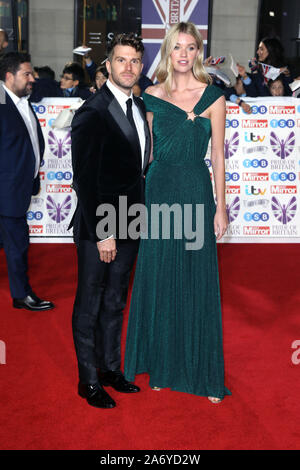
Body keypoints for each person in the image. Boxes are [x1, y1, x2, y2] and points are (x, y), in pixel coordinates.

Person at [124, 22, 231, 404]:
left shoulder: (214, 97)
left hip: (195, 189)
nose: (183, 55)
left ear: (198, 52)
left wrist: (221, 206)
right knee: (159, 275)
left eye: (190, 48)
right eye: (176, 48)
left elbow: (218, 155)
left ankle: (201, 373)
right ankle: (162, 365)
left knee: (194, 278)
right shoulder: (150, 95)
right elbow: (146, 153)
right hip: (158, 190)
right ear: (167, 52)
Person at [70, 33, 150, 409]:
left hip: (131, 219)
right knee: (90, 302)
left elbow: (136, 170)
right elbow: (84, 180)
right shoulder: (93, 111)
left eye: (134, 60)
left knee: (116, 301)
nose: (128, 67)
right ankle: (88, 381)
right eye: (121, 60)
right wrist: (104, 233)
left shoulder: (138, 106)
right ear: (108, 65)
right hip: (97, 224)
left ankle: (109, 370)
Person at [0, 52, 54, 311]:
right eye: (26, 74)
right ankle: (21, 295)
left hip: (20, 185)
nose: (32, 79)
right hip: (6, 189)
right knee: (18, 244)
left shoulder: (22, 98)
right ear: (9, 77)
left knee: (15, 242)